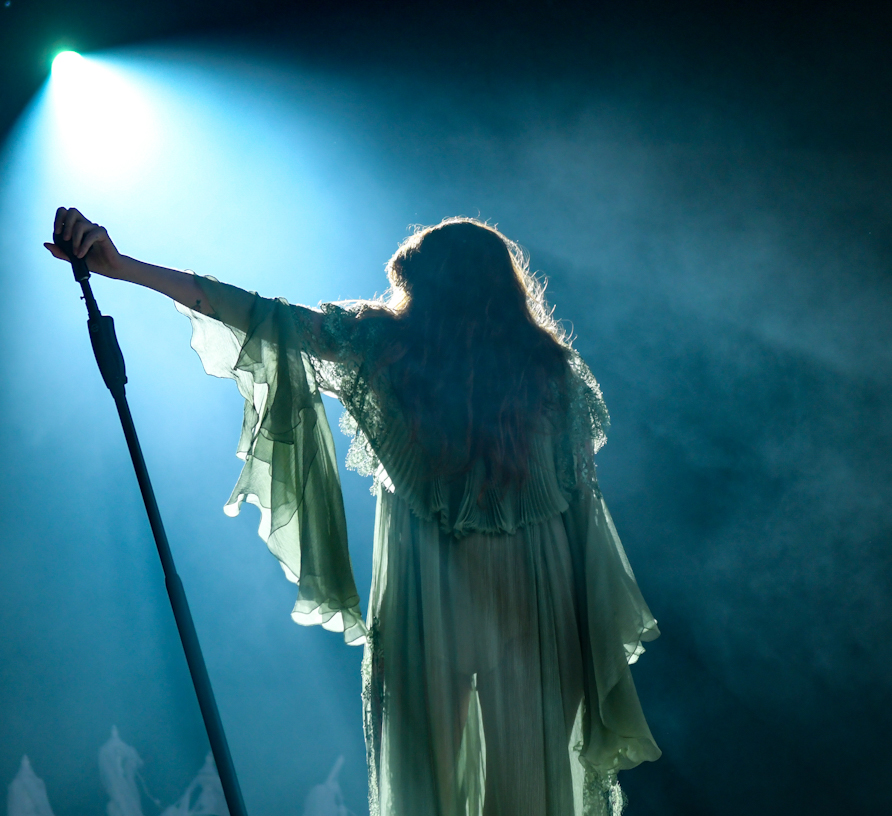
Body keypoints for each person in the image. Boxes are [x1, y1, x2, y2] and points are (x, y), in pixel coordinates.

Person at [44, 209, 661, 816]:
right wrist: (593, 628)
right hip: (538, 587)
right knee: (533, 783)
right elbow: (584, 505)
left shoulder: (386, 351)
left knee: (427, 779)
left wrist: (124, 268)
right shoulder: (550, 371)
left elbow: (263, 316)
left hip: (436, 591)